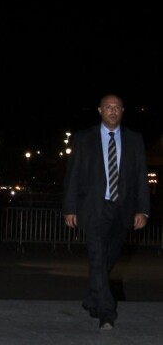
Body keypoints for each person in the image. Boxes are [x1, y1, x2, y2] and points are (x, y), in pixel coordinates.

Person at [62, 93, 150, 330]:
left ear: (123, 111)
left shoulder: (134, 139)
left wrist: (143, 210)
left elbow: (141, 177)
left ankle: (92, 298)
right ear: (99, 110)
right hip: (94, 208)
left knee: (108, 258)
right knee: (97, 257)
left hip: (122, 209)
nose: (112, 110)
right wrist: (70, 208)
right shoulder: (83, 138)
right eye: (108, 107)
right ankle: (106, 313)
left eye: (117, 107)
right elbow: (73, 175)